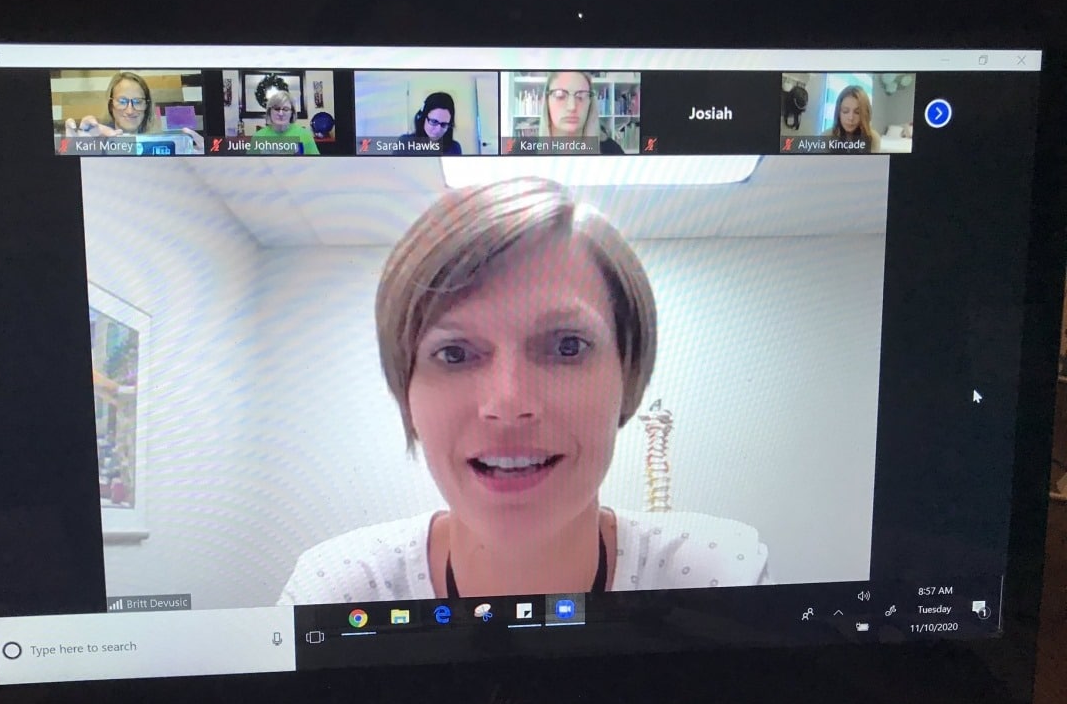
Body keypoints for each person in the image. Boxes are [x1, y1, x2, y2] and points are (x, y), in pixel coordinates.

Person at [278, 178, 768, 604]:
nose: (508, 404)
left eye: (567, 346)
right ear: (406, 393)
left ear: (629, 375)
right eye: (454, 353)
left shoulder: (718, 578)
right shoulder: (339, 591)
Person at [63, 71, 203, 151]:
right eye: (122, 101)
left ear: (147, 106)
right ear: (111, 105)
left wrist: (205, 157)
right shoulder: (97, 142)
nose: (130, 110)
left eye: (138, 101)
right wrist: (75, 151)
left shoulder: (164, 145)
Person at [538, 71, 624, 154]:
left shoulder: (612, 151)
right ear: (546, 101)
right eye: (560, 96)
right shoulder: (530, 149)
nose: (572, 107)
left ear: (590, 103)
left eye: (581, 96)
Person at [252, 87, 320, 155]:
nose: (281, 113)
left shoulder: (305, 135)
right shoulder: (258, 136)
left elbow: (315, 161)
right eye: (276, 109)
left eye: (286, 109)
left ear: (292, 113)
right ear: (269, 112)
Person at [394, 92, 462, 155]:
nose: (438, 130)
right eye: (434, 121)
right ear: (423, 118)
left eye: (444, 124)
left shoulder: (454, 148)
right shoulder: (404, 143)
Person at [828, 85, 880, 152]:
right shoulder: (827, 136)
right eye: (845, 111)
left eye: (857, 112)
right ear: (838, 113)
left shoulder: (873, 138)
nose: (851, 118)